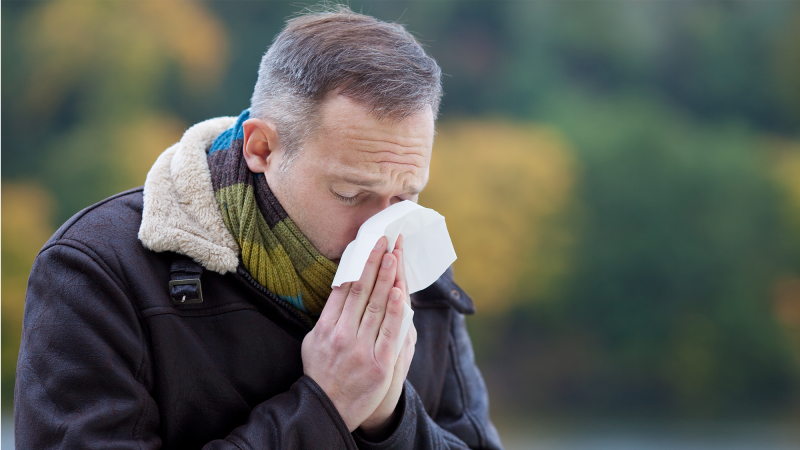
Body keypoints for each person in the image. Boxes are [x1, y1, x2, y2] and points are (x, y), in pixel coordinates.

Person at [15, 6, 503, 449]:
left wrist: (391, 421)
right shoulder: (98, 271)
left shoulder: (416, 269)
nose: (380, 229)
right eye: (351, 194)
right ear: (261, 149)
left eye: (405, 196)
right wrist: (325, 409)